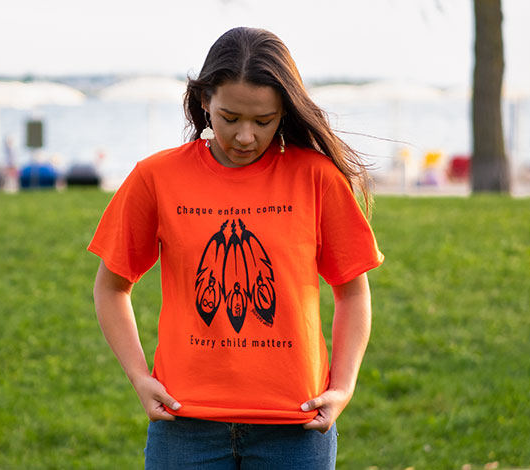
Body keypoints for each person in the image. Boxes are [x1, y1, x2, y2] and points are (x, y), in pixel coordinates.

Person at [89, 27, 383, 469]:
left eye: (263, 121)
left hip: (296, 428)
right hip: (184, 424)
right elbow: (112, 286)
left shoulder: (317, 178)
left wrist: (343, 386)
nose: (246, 136)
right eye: (230, 118)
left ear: (284, 110)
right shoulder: (156, 178)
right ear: (205, 100)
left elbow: (353, 290)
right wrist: (138, 376)